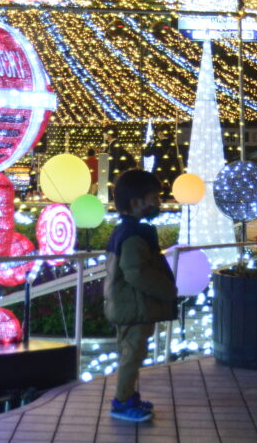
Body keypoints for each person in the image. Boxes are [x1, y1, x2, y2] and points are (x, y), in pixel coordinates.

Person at [103, 169, 178, 423]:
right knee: (132, 355)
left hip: (127, 305)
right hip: (134, 306)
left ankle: (128, 396)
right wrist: (167, 290)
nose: (158, 202)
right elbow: (136, 272)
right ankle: (122, 402)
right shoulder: (134, 235)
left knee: (131, 353)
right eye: (154, 198)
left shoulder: (126, 231)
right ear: (136, 203)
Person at [104, 129, 136, 199]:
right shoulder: (111, 144)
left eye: (105, 133)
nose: (104, 135)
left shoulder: (115, 144)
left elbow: (116, 159)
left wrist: (115, 171)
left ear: (110, 134)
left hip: (114, 171)